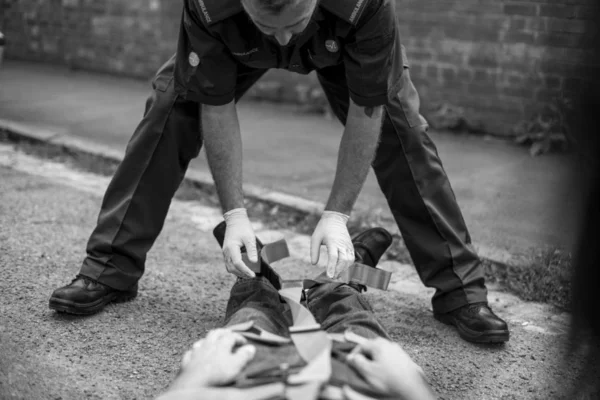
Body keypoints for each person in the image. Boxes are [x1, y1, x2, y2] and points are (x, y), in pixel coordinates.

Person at [49, 0, 509, 343]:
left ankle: (460, 291)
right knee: (172, 107)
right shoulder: (210, 5)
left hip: (341, 36)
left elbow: (367, 110)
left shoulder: (365, 3)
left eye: (293, 24)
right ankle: (109, 269)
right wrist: (235, 215)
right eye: (272, 26)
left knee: (399, 124)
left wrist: (337, 215)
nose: (285, 43)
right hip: (236, 42)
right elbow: (215, 103)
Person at [157, 226, 437, 400]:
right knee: (353, 318)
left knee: (253, 314)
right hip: (357, 380)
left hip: (245, 377)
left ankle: (254, 277)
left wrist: (189, 384)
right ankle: (339, 281)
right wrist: (412, 389)